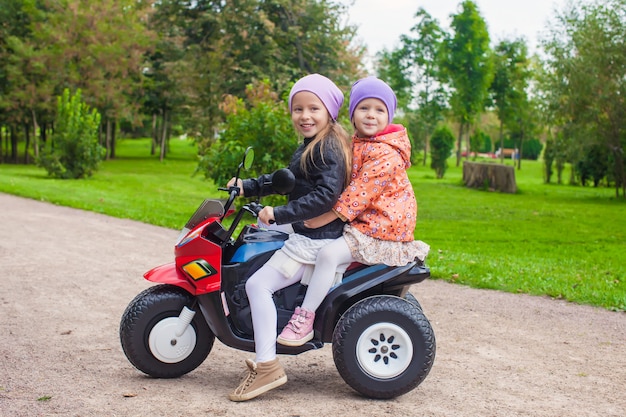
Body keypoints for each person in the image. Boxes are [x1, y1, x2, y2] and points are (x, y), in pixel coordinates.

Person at [276, 76, 430, 347]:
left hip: (380, 228)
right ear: (353, 113)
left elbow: (357, 196)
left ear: (389, 115)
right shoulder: (359, 143)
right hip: (366, 221)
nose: (371, 115)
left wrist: (320, 218)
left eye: (379, 110)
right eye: (364, 108)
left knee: (327, 254)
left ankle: (305, 318)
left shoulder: (385, 153)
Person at [227, 74, 352, 402]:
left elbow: (326, 196)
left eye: (314, 108)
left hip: (315, 241)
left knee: (258, 285)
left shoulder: (329, 149)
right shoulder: (314, 145)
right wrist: (248, 186)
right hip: (310, 233)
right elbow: (287, 179)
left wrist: (280, 213)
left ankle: (267, 365)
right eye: (298, 108)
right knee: (256, 237)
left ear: (330, 111)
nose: (305, 115)